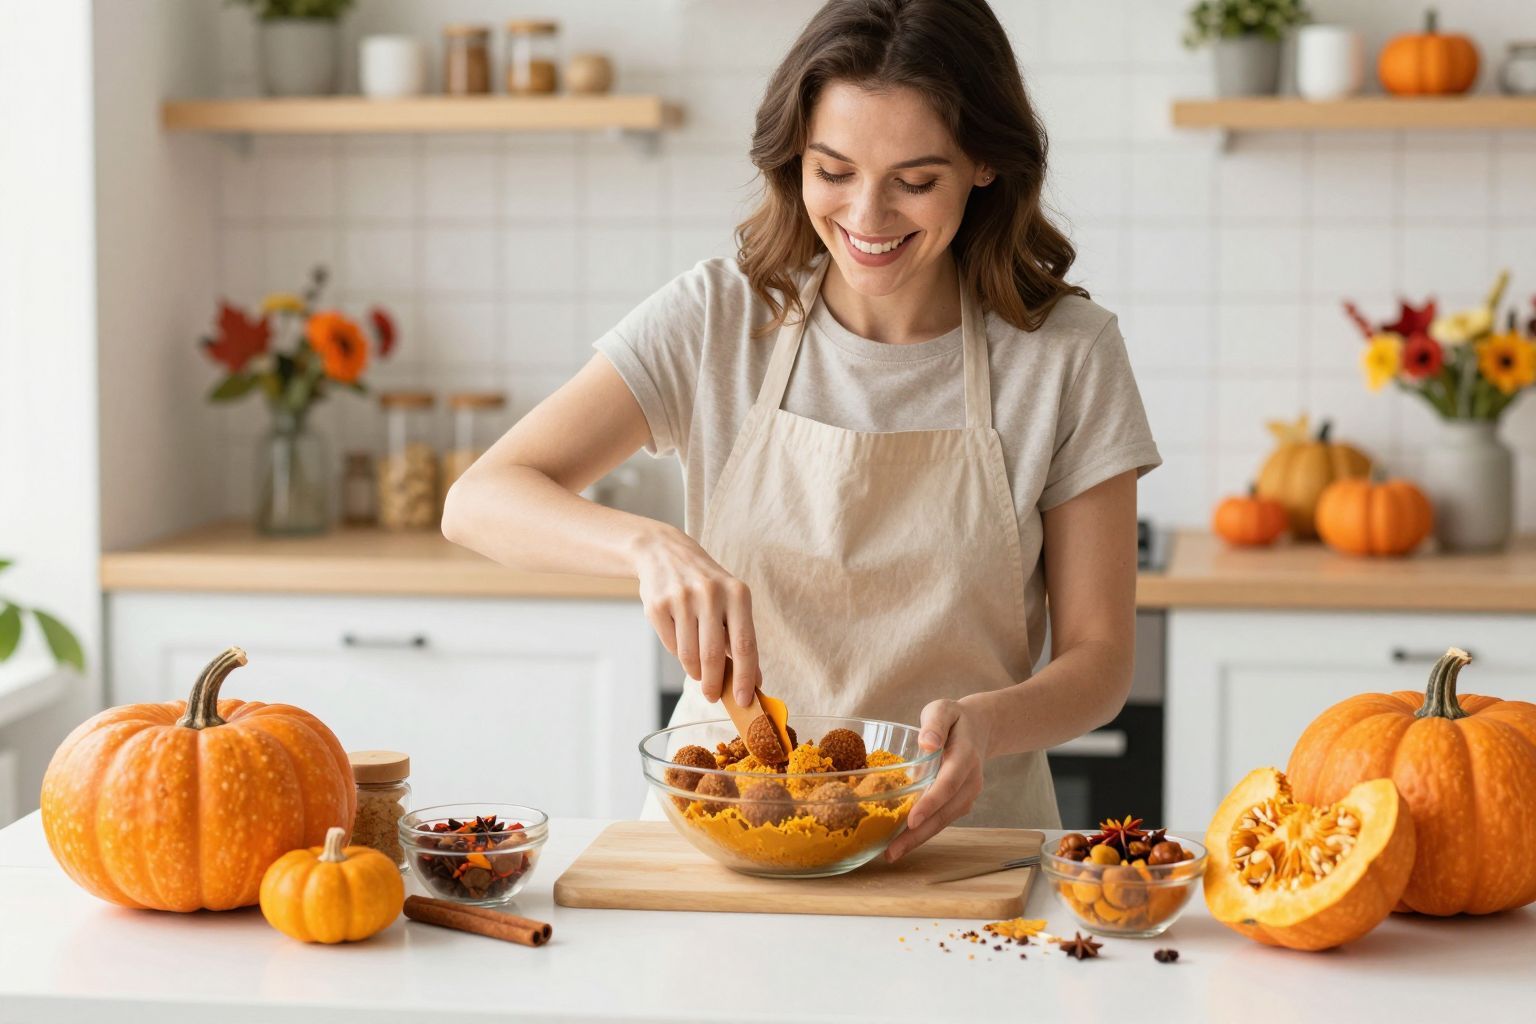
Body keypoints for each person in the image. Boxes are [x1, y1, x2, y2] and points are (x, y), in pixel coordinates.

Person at [443, 0, 1160, 859]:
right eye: (834, 171)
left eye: (916, 180)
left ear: (983, 165)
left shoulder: (1066, 357)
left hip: (958, 847)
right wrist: (647, 549)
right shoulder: (717, 319)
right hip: (725, 843)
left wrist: (989, 723)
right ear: (795, 159)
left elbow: (1101, 657)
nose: (868, 216)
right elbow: (478, 500)